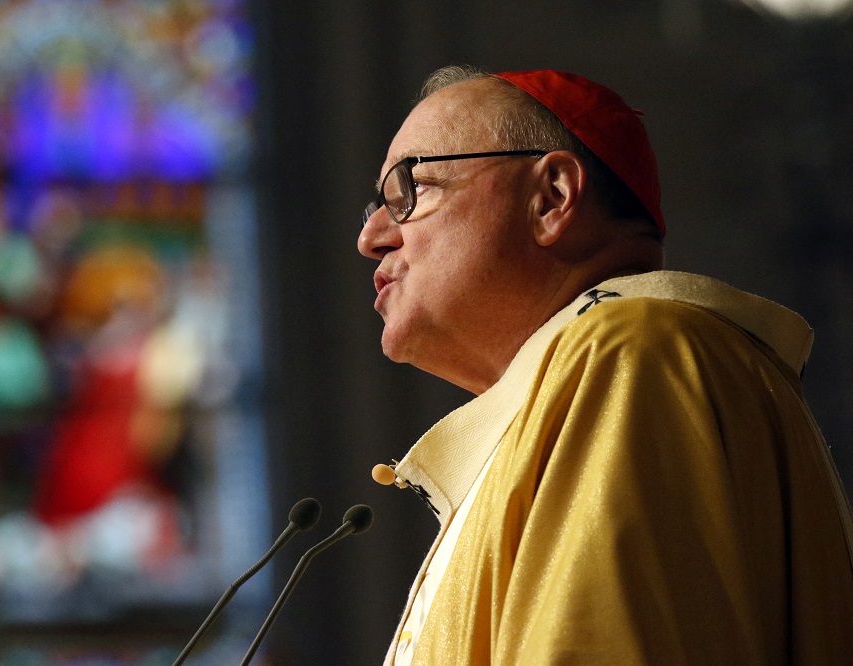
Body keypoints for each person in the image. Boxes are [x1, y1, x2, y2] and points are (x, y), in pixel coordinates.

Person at [358, 66, 853, 665]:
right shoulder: (571, 393)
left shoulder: (634, 354)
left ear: (551, 199)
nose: (373, 236)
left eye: (411, 191)